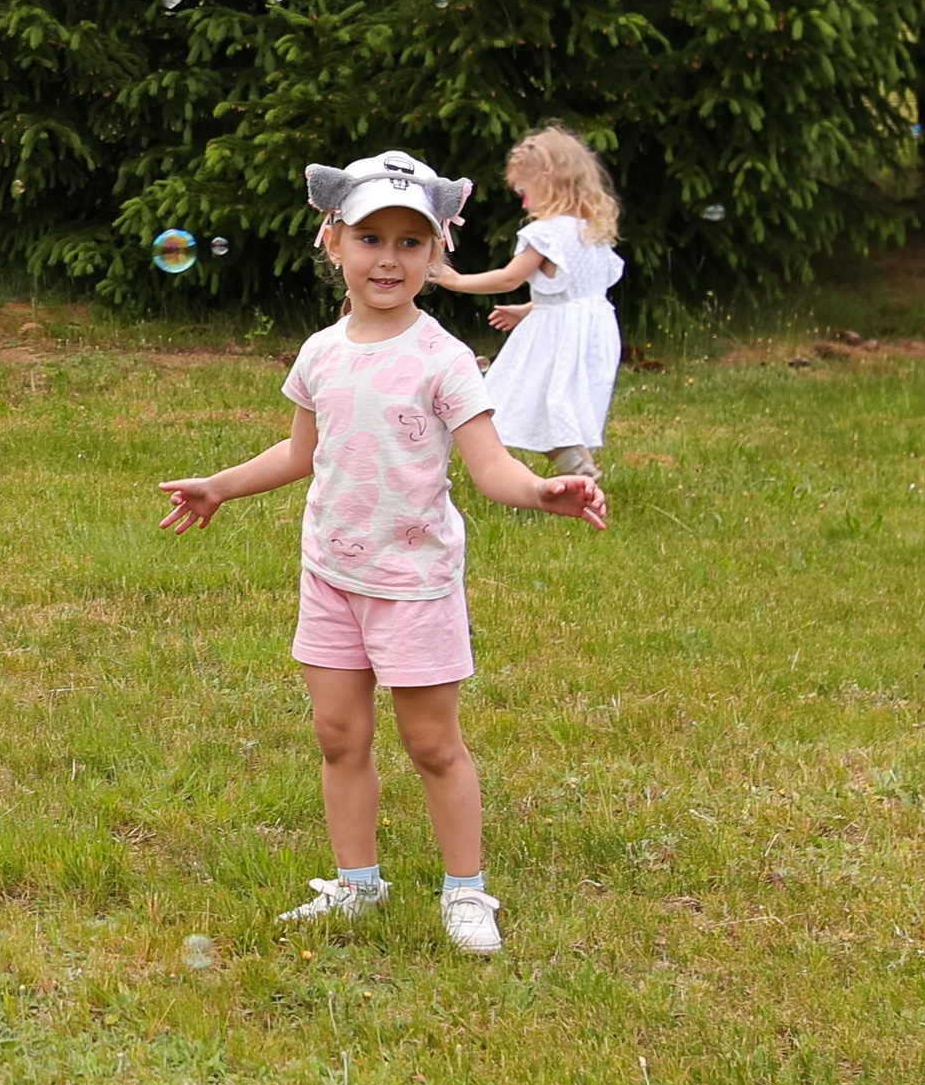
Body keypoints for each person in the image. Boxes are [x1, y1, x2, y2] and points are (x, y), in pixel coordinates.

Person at [159, 150, 607, 955]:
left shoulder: (443, 359)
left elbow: (491, 464)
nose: (390, 257)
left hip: (414, 582)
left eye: (411, 241)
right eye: (371, 237)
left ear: (437, 254)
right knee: (339, 735)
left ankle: (467, 891)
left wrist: (543, 490)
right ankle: (356, 884)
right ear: (333, 242)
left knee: (433, 743)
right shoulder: (320, 352)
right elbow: (301, 452)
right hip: (331, 574)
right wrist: (220, 485)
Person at [432, 125, 624, 479]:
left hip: (557, 340)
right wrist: (528, 309)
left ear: (549, 182)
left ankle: (579, 471)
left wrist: (455, 280)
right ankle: (581, 470)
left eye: (524, 190)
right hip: (593, 335)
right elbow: (576, 293)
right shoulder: (592, 232)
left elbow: (509, 278)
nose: (522, 200)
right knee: (553, 405)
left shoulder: (545, 234)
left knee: (520, 400)